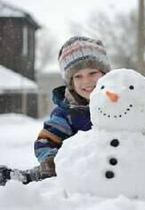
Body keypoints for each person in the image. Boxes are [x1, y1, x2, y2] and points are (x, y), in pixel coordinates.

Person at [0, 36, 111, 185]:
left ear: (105, 74)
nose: (86, 81)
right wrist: (51, 160)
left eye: (92, 73)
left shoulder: (124, 105)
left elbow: (143, 130)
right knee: (49, 175)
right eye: (78, 76)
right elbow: (46, 140)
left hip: (119, 165)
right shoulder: (67, 113)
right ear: (70, 83)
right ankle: (21, 179)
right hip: (78, 169)